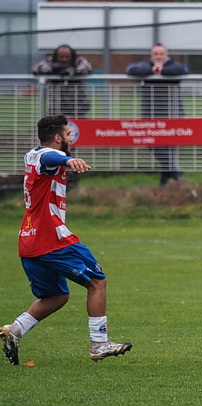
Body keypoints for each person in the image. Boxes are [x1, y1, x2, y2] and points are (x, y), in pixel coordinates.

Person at [1, 115, 133, 366]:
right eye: (69, 135)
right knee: (97, 281)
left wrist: (65, 159)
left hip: (29, 240)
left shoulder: (31, 155)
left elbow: (47, 159)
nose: (73, 139)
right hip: (51, 237)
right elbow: (52, 157)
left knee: (56, 296)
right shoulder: (47, 157)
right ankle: (99, 343)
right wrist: (69, 159)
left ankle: (15, 329)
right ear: (58, 138)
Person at [126, 44, 189, 186]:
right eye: (156, 54)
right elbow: (130, 70)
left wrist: (162, 70)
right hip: (151, 115)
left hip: (172, 114)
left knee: (169, 148)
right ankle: (174, 171)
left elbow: (183, 70)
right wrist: (150, 70)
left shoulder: (174, 66)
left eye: (161, 54)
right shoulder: (145, 66)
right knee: (151, 142)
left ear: (167, 55)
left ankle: (165, 184)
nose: (159, 57)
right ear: (151, 56)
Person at [32, 44, 93, 118]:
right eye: (61, 57)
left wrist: (70, 71)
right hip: (57, 106)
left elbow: (86, 67)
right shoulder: (50, 61)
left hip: (77, 106)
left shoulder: (78, 60)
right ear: (56, 57)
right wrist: (54, 70)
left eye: (67, 57)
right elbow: (36, 68)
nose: (64, 59)